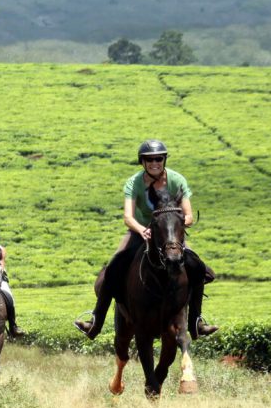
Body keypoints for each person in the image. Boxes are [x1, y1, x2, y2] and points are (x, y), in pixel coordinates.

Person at [74, 139, 218, 341]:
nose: (154, 163)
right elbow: (128, 217)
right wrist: (142, 230)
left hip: (169, 235)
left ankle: (197, 321)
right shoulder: (134, 183)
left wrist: (174, 224)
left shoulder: (178, 180)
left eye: (158, 158)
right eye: (149, 159)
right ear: (142, 162)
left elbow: (189, 215)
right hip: (140, 232)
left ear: (164, 160)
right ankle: (95, 321)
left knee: (197, 267)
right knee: (114, 266)